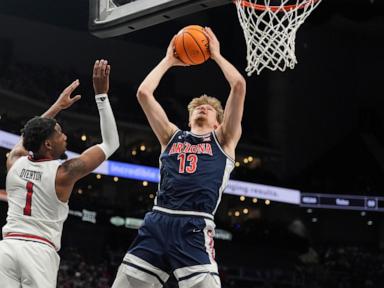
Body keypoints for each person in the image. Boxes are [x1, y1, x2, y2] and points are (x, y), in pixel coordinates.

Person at [112, 27, 246, 288]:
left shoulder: (223, 139)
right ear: (188, 117)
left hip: (194, 226)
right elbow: (143, 94)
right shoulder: (171, 136)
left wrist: (216, 55)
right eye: (197, 106)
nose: (202, 108)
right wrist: (168, 61)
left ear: (219, 123)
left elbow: (239, 85)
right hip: (158, 220)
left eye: (208, 108)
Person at [0, 59, 119, 288]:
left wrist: (57, 106)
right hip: (39, 253)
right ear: (47, 145)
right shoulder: (63, 172)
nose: (64, 136)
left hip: (7, 249)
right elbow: (111, 143)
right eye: (58, 132)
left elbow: (28, 136)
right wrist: (101, 95)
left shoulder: (14, 162)